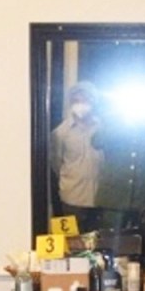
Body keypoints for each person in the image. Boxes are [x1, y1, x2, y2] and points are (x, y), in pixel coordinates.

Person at [49, 81, 103, 231]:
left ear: (94, 102)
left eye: (85, 100)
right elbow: (56, 163)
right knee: (72, 246)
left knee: (97, 246)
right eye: (76, 100)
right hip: (72, 198)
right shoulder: (60, 133)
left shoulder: (103, 128)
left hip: (100, 198)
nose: (81, 104)